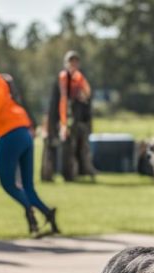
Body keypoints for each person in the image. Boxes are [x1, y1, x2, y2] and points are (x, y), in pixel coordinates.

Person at [0, 55, 59, 236]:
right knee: (28, 186)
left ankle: (29, 213)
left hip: (8, 136)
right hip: (24, 131)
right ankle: (48, 214)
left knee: (9, 184)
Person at [58, 51, 96, 181]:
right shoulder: (64, 76)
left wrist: (83, 95)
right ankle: (69, 174)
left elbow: (87, 93)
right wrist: (63, 122)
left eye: (75, 62)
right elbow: (63, 98)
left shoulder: (79, 77)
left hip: (80, 118)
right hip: (68, 118)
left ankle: (83, 171)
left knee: (82, 147)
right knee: (69, 147)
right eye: (71, 61)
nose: (73, 64)